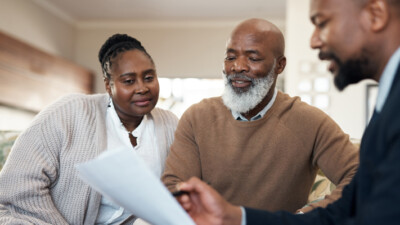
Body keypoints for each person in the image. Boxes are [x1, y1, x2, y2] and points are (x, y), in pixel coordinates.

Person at [175, 0, 400, 224]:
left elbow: (360, 188)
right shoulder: (388, 102)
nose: (313, 41)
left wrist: (301, 214)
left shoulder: (311, 120)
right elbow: (356, 200)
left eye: (322, 23)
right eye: (231, 57)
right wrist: (236, 218)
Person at [162, 18, 359, 214]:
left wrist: (305, 218)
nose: (238, 67)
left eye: (253, 58)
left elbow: (359, 177)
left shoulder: (310, 122)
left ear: (279, 66)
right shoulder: (197, 117)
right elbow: (173, 184)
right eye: (230, 58)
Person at [0, 34, 178, 224]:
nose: (142, 88)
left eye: (149, 77)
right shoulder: (68, 112)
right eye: (128, 81)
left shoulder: (169, 124)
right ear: (108, 86)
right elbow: (17, 188)